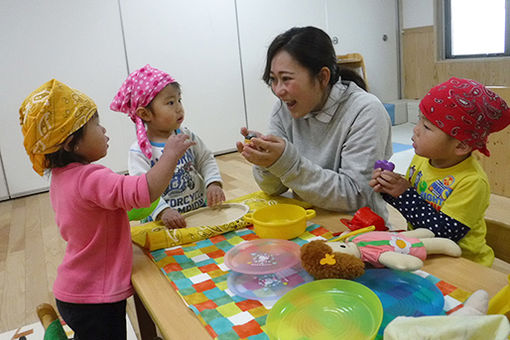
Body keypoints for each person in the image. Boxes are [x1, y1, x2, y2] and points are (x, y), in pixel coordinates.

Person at [19, 79, 194, 339]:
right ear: (70, 143)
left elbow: (102, 211)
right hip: (96, 299)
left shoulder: (60, 177)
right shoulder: (91, 178)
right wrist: (169, 156)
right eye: (96, 125)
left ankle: (54, 327)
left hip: (76, 292)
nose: (104, 131)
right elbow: (143, 193)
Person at [236, 26, 393, 222]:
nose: (278, 90)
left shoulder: (365, 111)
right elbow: (273, 188)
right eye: (273, 80)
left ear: (323, 77)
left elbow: (356, 196)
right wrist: (266, 163)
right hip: (308, 222)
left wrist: (287, 163)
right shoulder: (283, 109)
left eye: (286, 79)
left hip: (359, 230)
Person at [370, 77, 510, 267]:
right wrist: (388, 187)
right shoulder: (422, 159)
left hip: (462, 262)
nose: (416, 130)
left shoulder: (472, 181)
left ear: (461, 145)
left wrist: (403, 194)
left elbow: (444, 233)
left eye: (427, 127)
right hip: (425, 250)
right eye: (419, 120)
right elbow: (414, 207)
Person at [111, 65, 225, 229]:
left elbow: (205, 159)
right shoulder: (140, 151)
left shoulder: (187, 136)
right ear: (145, 114)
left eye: (179, 100)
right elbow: (141, 189)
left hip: (198, 211)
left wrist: (213, 183)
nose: (179, 107)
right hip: (163, 223)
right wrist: (163, 211)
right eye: (170, 102)